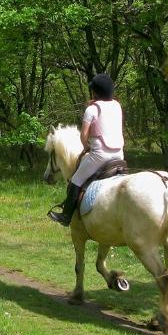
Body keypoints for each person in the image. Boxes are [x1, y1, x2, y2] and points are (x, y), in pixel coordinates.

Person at [48, 73, 124, 226]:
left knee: (75, 180)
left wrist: (87, 148)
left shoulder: (92, 109)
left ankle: (66, 216)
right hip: (119, 154)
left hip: (100, 155)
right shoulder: (117, 105)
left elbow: (83, 136)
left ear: (95, 91)